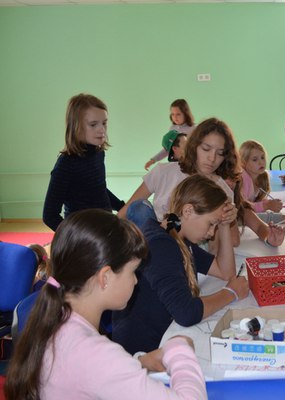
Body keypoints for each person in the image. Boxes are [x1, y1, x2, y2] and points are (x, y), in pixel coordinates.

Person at [4, 209, 207, 400]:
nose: (136, 281)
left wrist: (138, 363)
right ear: (105, 277)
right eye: (133, 271)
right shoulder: (93, 353)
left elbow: (87, 374)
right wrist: (180, 352)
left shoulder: (57, 319)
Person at [113, 175, 249, 354]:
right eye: (211, 224)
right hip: (144, 350)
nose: (211, 233)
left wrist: (224, 226)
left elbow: (225, 272)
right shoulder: (161, 245)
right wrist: (230, 293)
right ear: (188, 211)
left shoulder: (175, 234)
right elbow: (186, 313)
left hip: (161, 337)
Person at [119, 118, 285, 248]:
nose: (212, 158)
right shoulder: (163, 172)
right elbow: (124, 213)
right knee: (140, 208)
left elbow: (232, 241)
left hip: (190, 254)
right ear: (194, 146)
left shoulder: (222, 189)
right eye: (206, 149)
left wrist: (228, 222)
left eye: (220, 153)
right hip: (154, 245)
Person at [42, 94, 125, 232]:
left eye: (104, 123)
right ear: (76, 126)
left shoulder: (98, 153)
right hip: (84, 232)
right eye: (93, 124)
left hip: (105, 225)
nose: (102, 129)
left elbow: (98, 189)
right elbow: (49, 215)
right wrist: (74, 237)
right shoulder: (66, 163)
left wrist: (122, 207)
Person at [239, 140, 285, 225]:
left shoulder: (262, 177)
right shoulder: (242, 179)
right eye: (254, 160)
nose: (261, 162)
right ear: (243, 162)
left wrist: (269, 203)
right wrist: (266, 205)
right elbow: (242, 209)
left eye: (262, 157)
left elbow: (255, 202)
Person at [145, 99, 196, 170]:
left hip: (190, 165)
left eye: (178, 114)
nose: (175, 117)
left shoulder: (194, 129)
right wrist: (153, 160)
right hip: (175, 164)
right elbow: (167, 149)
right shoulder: (172, 129)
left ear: (185, 114)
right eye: (172, 114)